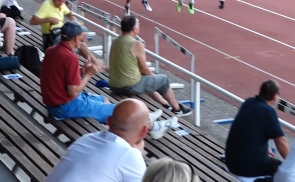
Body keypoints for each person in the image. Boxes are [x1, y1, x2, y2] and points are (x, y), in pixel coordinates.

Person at [45, 99, 177, 182]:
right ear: (144, 131)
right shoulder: (130, 156)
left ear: (109, 121)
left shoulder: (86, 138)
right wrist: (137, 154)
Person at [109, 16, 192, 117]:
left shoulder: (115, 40)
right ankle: (177, 108)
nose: (139, 27)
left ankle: (165, 104)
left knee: (149, 80)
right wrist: (153, 77)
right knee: (163, 79)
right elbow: (144, 69)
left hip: (114, 86)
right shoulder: (137, 44)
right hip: (128, 87)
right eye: (138, 25)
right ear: (134, 29)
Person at [40, 22, 115, 123]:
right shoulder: (71, 58)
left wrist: (83, 71)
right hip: (64, 107)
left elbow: (61, 75)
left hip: (53, 104)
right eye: (81, 38)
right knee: (116, 111)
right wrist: (89, 74)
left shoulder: (51, 50)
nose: (82, 41)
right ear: (76, 38)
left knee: (103, 99)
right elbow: (73, 91)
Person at [225, 80, 290, 180]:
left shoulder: (248, 102)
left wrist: (263, 148)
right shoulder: (268, 112)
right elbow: (281, 142)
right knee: (287, 172)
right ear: (275, 96)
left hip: (231, 162)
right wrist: (292, 161)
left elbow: (248, 130)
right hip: (247, 168)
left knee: (274, 163)